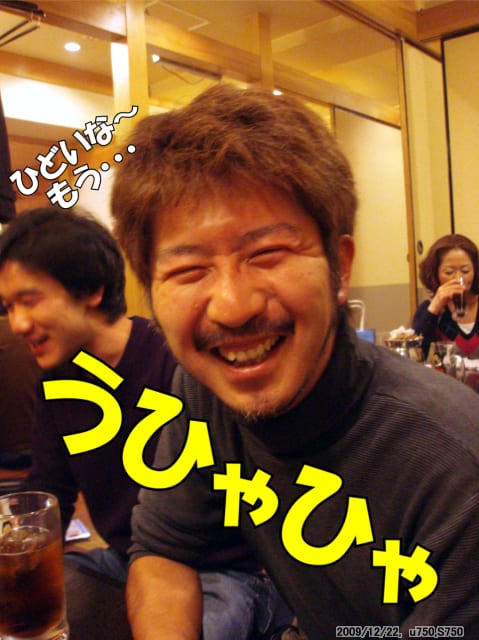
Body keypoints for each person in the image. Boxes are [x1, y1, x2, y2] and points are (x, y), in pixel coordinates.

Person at [111, 84, 479, 640]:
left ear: (340, 267)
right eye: (187, 271)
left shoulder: (451, 463)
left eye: (268, 254)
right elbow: (164, 551)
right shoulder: (201, 393)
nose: (232, 307)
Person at [0, 206, 291, 640]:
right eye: (8, 307)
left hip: (226, 572)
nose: (18, 323)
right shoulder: (58, 383)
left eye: (30, 300)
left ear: (91, 290)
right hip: (122, 561)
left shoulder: (180, 360)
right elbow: (49, 494)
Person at [412, 233, 479, 359]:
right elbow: (416, 355)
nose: (458, 278)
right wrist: (435, 306)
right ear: (436, 274)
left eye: (465, 271)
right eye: (449, 272)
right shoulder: (429, 309)